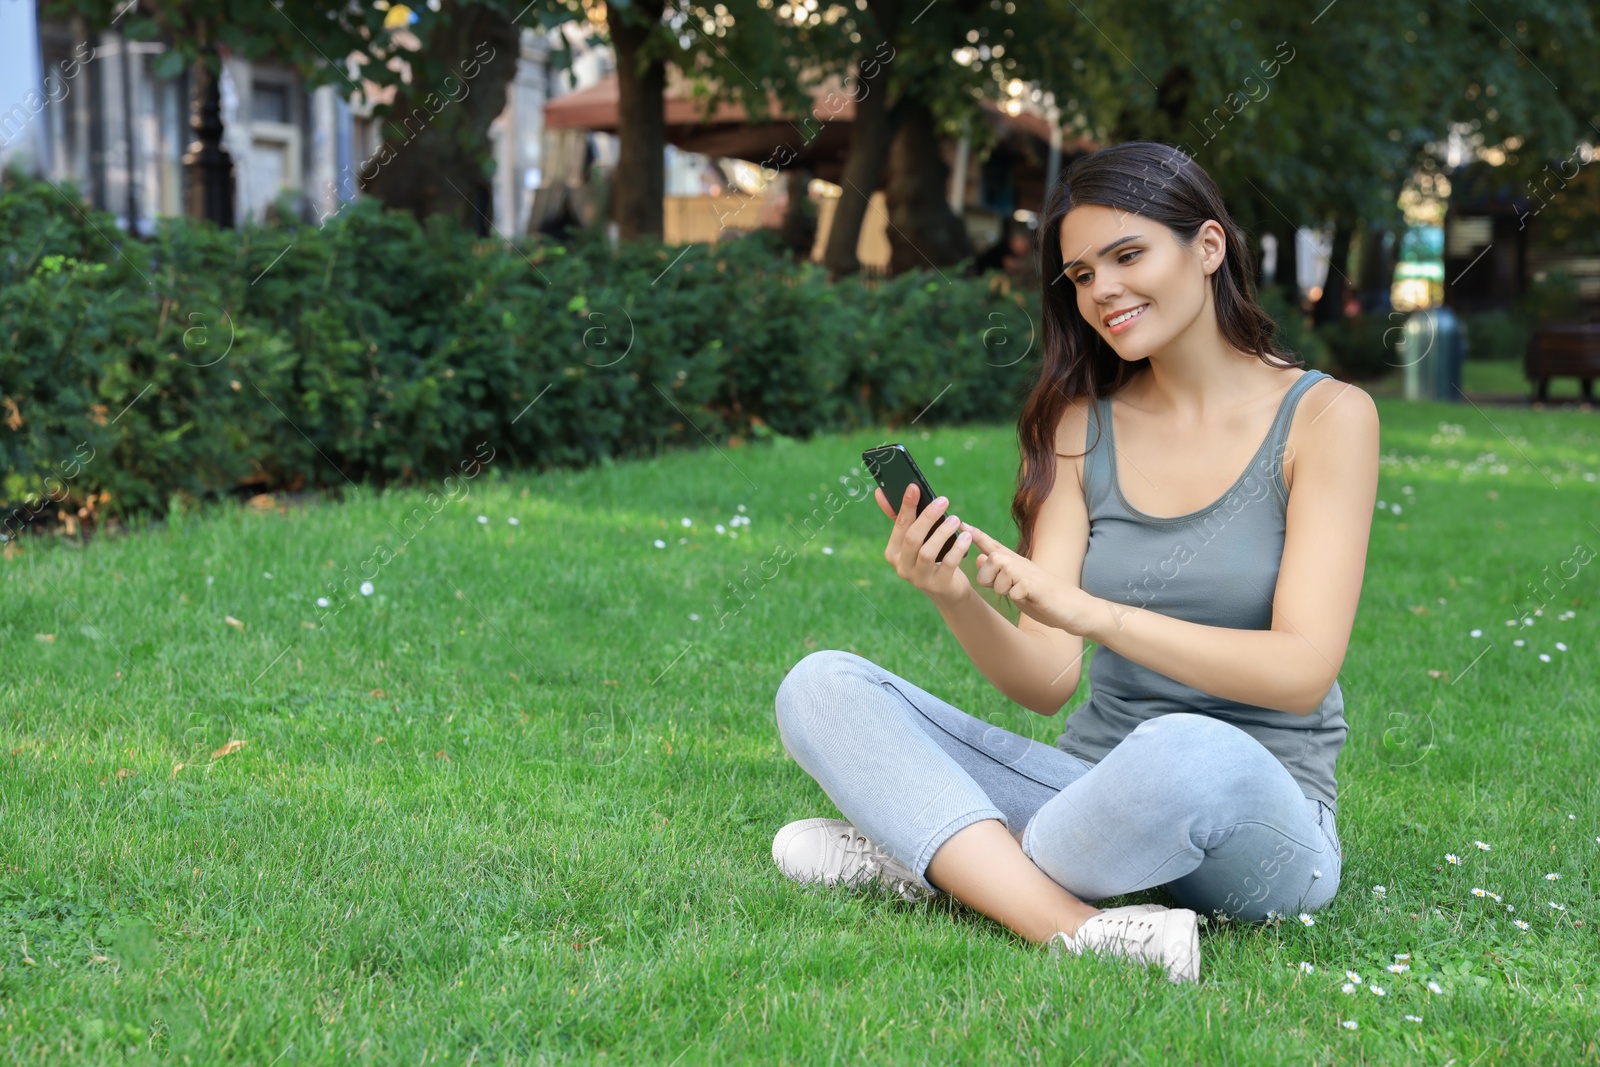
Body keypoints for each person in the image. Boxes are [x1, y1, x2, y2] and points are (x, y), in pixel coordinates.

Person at [769, 141, 1379, 985]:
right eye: (1082, 276)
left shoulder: (1327, 418)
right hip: (1087, 792)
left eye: (1128, 255)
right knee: (820, 685)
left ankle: (945, 860)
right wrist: (952, 593)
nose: (1103, 292)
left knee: (1182, 748)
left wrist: (1099, 614)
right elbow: (1048, 678)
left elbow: (1302, 672)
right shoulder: (1079, 424)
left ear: (1208, 248)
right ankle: (1074, 924)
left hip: (1255, 813)